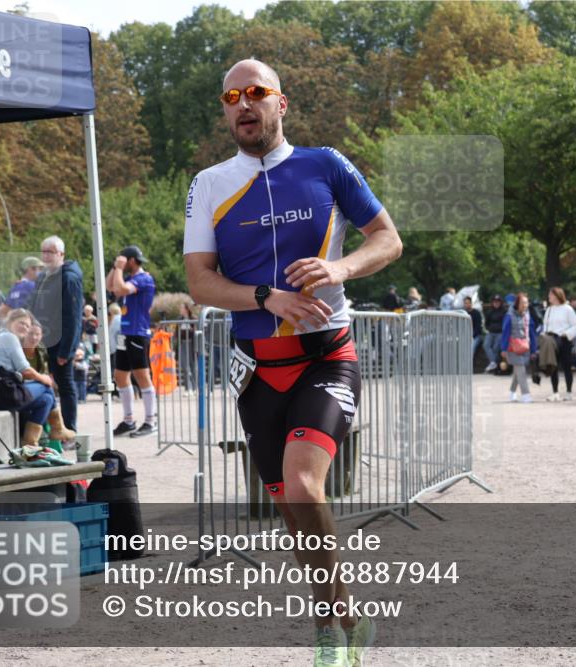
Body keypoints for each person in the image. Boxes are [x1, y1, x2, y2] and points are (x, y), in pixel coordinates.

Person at [182, 59, 402, 667]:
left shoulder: (324, 164)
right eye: (231, 96)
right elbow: (199, 281)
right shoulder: (209, 184)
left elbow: (388, 239)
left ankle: (329, 634)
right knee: (291, 509)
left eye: (256, 92)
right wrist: (265, 297)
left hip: (325, 356)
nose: (243, 104)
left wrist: (338, 268)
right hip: (257, 371)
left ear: (282, 103)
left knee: (305, 485)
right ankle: (346, 616)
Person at [0, 309, 75, 446]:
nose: (25, 327)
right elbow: (26, 370)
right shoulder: (9, 337)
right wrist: (45, 379)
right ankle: (58, 429)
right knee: (45, 385)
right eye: (21, 323)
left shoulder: (1, 337)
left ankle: (30, 443)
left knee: (46, 399)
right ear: (10, 322)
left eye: (28, 326)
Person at [27, 235, 84, 436]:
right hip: (41, 340)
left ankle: (69, 429)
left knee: (65, 385)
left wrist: (67, 349)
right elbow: (34, 306)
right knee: (42, 383)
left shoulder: (69, 277)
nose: (46, 256)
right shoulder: (43, 276)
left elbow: (73, 316)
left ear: (61, 254)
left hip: (59, 342)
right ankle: (45, 428)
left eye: (50, 252)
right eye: (43, 252)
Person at [107, 245, 157, 438]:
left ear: (132, 261)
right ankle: (128, 420)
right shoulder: (128, 278)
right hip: (125, 333)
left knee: (141, 375)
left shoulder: (144, 279)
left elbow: (120, 289)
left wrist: (119, 268)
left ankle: (151, 421)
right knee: (120, 375)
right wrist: (115, 268)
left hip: (138, 333)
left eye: (123, 260)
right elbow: (110, 287)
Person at [542, 287, 576, 401]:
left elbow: (575, 326)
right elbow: (545, 325)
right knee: (553, 366)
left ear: (557, 296)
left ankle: (569, 392)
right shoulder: (549, 310)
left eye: (551, 295)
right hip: (551, 340)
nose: (549, 297)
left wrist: (566, 334)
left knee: (567, 366)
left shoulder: (568, 309)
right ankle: (555, 392)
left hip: (564, 340)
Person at [500, 292, 538, 403]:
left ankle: (512, 392)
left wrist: (534, 349)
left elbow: (532, 333)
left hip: (525, 347)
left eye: (526, 303)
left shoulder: (528, 315)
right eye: (522, 303)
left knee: (518, 371)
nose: (525, 305)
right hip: (512, 348)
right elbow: (505, 332)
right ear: (517, 304)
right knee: (521, 369)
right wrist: (503, 348)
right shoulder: (509, 315)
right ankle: (526, 395)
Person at [482, 295, 507, 373]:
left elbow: (506, 323)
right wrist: (489, 328)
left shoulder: (504, 311)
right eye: (495, 302)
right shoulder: (489, 311)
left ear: (500, 302)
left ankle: (493, 366)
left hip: (500, 333)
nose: (496, 303)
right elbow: (486, 323)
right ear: (492, 302)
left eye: (498, 302)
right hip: (491, 332)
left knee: (496, 348)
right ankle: (493, 362)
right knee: (486, 345)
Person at [462, 296, 485, 369]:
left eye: (468, 303)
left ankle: (467, 366)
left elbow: (478, 328)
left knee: (472, 347)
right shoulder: (462, 314)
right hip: (464, 336)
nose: (467, 304)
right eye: (465, 303)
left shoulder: (476, 313)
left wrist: (471, 336)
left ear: (471, 303)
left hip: (476, 336)